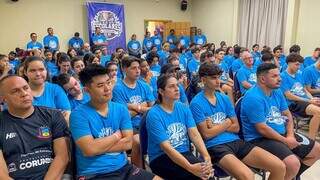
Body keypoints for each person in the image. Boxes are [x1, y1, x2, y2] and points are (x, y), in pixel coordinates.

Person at [190, 62, 285, 180]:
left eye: (218, 77)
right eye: (213, 78)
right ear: (203, 80)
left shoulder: (224, 98)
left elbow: (236, 127)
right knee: (248, 176)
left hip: (235, 141)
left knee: (279, 166)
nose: (218, 81)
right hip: (216, 146)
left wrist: (217, 125)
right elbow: (207, 134)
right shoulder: (196, 103)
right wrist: (227, 122)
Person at [70, 64, 159, 180]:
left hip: (124, 168)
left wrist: (97, 145)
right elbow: (89, 150)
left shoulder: (120, 109)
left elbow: (127, 143)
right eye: (100, 85)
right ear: (87, 90)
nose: (107, 88)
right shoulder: (78, 114)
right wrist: (117, 136)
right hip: (94, 174)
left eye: (108, 82)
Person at [241, 63, 320, 180]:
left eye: (279, 75)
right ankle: (290, 174)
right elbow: (262, 129)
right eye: (275, 76)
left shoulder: (276, 91)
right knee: (293, 163)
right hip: (260, 139)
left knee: (317, 150)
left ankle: (290, 176)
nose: (280, 78)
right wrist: (286, 141)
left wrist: (290, 135)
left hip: (281, 134)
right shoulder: (253, 97)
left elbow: (287, 114)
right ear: (263, 79)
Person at [0, 75, 69, 179]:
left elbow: (62, 156)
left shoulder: (53, 115)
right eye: (15, 91)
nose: (24, 93)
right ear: (3, 98)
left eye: (26, 88)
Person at [146, 74, 213, 179]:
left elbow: (195, 134)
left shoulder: (183, 108)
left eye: (177, 85)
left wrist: (206, 157)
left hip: (184, 153)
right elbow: (167, 148)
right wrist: (190, 168)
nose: (177, 89)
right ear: (161, 91)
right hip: (161, 158)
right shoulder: (154, 114)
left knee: (207, 174)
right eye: (171, 86)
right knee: (194, 176)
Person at [112, 56, 155, 167]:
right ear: (125, 69)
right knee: (138, 141)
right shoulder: (118, 88)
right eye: (133, 68)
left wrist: (133, 106)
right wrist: (143, 106)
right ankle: (139, 172)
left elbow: (153, 109)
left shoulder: (144, 86)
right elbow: (124, 115)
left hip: (147, 123)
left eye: (138, 68)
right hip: (129, 127)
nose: (137, 71)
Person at [280, 53, 320, 140]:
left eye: (300, 65)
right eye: (297, 64)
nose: (298, 67)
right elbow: (289, 96)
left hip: (304, 100)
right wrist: (308, 100)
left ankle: (316, 131)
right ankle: (311, 140)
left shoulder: (299, 74)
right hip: (293, 103)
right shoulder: (283, 76)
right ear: (289, 63)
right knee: (318, 112)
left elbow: (305, 89)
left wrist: (311, 98)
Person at [23, 56, 71, 123]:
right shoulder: (21, 92)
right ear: (25, 72)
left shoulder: (56, 90)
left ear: (46, 71)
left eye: (41, 69)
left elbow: (67, 116)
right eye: (33, 70)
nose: (38, 74)